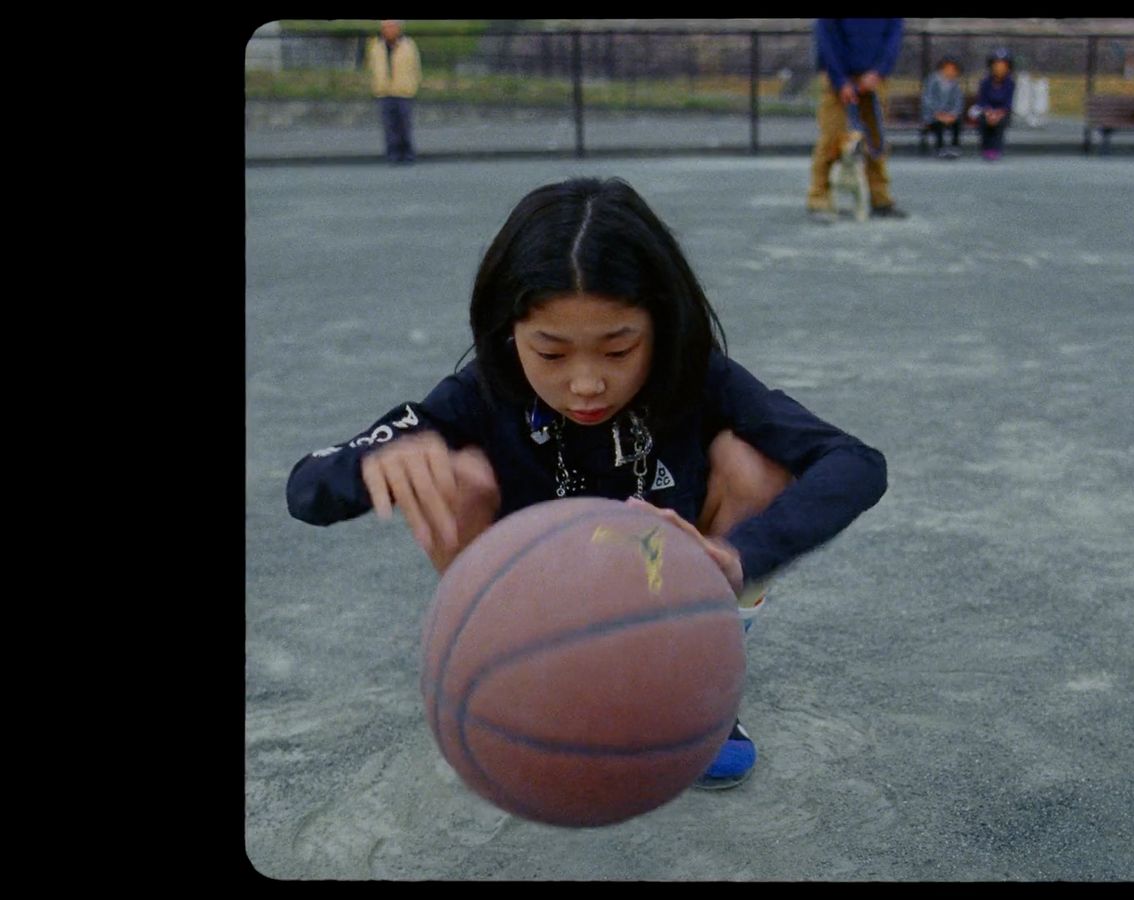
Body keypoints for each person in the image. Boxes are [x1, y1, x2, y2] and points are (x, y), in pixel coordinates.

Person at [285, 177, 888, 790]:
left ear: (661, 324)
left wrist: (739, 555)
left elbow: (854, 461)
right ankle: (515, 684)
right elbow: (304, 487)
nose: (585, 384)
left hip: (664, 589)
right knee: (455, 473)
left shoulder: (696, 376)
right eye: (550, 353)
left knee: (752, 463)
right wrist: (370, 465)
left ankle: (693, 684)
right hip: (536, 607)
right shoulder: (481, 390)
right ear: (508, 333)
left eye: (619, 349)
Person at [807, 18, 908, 220]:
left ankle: (879, 197)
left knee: (875, 139)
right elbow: (826, 39)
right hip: (837, 78)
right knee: (832, 138)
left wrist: (878, 72)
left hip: (875, 79)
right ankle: (819, 198)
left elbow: (893, 38)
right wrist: (840, 81)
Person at [367, 19, 421, 164]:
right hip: (384, 91)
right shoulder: (376, 46)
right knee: (389, 126)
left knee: (404, 125)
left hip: (403, 91)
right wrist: (375, 85)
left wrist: (413, 86)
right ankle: (393, 154)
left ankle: (407, 154)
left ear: (398, 29)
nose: (389, 30)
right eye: (386, 27)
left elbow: (415, 68)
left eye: (392, 27)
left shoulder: (408, 45)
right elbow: (372, 68)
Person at [972, 49, 1016, 162]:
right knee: (983, 120)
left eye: (1003, 65)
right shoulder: (985, 82)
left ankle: (996, 149)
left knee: (1000, 122)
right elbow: (982, 101)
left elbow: (1008, 103)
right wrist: (989, 113)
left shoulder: (1010, 83)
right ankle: (985, 148)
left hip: (1002, 113)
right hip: (986, 112)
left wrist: (999, 114)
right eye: (997, 65)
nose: (999, 68)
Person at [922, 57, 965, 159]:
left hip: (949, 115)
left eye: (953, 69)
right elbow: (927, 100)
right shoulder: (932, 81)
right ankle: (940, 148)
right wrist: (938, 114)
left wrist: (953, 114)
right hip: (933, 115)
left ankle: (955, 147)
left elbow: (958, 102)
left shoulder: (955, 85)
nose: (950, 71)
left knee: (957, 122)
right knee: (938, 123)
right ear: (942, 69)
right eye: (948, 68)